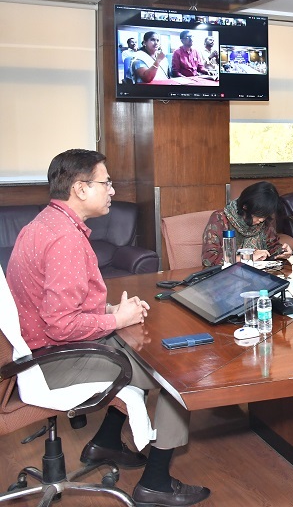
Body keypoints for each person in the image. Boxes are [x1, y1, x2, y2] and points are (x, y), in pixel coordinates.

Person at [5, 149, 210, 506]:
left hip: (35, 352)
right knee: (176, 374)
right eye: (106, 183)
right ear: (80, 189)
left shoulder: (43, 225)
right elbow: (60, 325)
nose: (112, 190)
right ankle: (156, 483)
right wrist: (118, 320)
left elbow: (48, 303)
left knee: (140, 349)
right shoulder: (65, 240)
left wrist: (109, 309)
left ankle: (107, 443)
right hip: (53, 361)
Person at [201, 181, 293, 267]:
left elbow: (271, 247)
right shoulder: (220, 219)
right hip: (228, 276)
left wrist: (281, 251)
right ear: (245, 207)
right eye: (258, 215)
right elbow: (209, 259)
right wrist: (248, 257)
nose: (262, 220)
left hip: (260, 274)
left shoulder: (265, 220)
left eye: (265, 216)